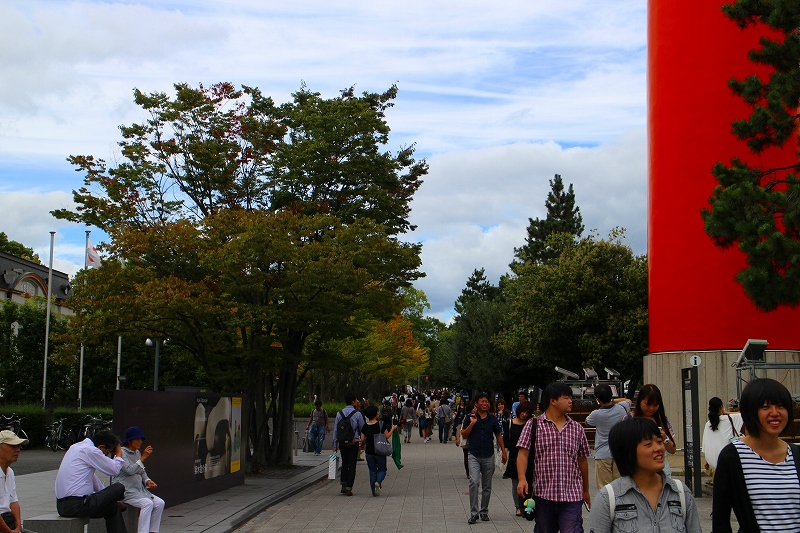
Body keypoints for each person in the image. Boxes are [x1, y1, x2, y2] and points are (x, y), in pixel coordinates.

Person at [713, 378, 800, 533]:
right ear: (750, 411)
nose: (775, 413)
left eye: (780, 406)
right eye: (765, 407)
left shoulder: (797, 454)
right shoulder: (732, 457)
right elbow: (721, 521)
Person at [587, 417, 701, 532]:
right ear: (628, 451)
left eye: (659, 441)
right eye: (648, 444)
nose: (658, 448)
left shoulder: (681, 492)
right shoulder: (608, 498)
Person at [516, 382, 590, 533]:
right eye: (566, 398)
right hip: (544, 494)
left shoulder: (577, 428)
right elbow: (523, 454)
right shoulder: (533, 425)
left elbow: (582, 460)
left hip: (572, 495)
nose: (571, 401)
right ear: (553, 401)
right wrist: (522, 479)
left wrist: (586, 490)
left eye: (571, 398)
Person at [55, 429, 127, 533]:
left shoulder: (75, 447)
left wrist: (108, 498)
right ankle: (115, 501)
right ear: (101, 447)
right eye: (108, 452)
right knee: (119, 487)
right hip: (78, 504)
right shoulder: (90, 450)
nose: (106, 456)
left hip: (62, 506)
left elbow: (93, 479)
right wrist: (119, 454)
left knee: (113, 508)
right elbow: (114, 470)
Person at [461, 392, 507, 524]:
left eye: (487, 401)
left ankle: (484, 511)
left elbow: (498, 435)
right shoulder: (470, 417)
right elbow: (464, 434)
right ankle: (474, 513)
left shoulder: (492, 418)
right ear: (476, 403)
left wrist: (504, 451)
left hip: (488, 455)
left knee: (487, 486)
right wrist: (472, 424)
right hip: (474, 454)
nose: (485, 403)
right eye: (482, 401)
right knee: (474, 482)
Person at [111, 427, 164, 533]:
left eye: (141, 439)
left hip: (138, 490)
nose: (140, 442)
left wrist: (147, 480)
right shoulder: (121, 453)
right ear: (129, 441)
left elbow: (141, 470)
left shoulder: (137, 453)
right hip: (126, 490)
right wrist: (143, 457)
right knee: (147, 504)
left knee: (160, 503)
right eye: (137, 439)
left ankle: (153, 531)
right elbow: (129, 470)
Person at [585, 383, 633, 489]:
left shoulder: (596, 414)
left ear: (598, 399)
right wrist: (613, 401)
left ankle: (608, 506)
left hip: (602, 454)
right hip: (619, 452)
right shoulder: (622, 408)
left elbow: (587, 422)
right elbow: (628, 401)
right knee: (620, 487)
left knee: (605, 488)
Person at [627, 383, 678, 476]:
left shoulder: (662, 420)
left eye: (655, 405)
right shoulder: (629, 419)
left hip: (662, 472)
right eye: (648, 404)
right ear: (640, 401)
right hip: (638, 471)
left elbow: (673, 450)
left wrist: (664, 438)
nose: (651, 408)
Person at [504, 400, 535, 517]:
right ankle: (518, 506)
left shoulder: (531, 423)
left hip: (529, 456)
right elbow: (506, 439)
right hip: (514, 456)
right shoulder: (510, 423)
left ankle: (528, 505)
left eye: (527, 412)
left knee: (529, 481)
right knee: (516, 483)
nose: (524, 414)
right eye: (523, 411)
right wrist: (504, 452)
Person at [332, 392, 366, 496]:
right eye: (356, 400)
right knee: (352, 464)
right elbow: (363, 428)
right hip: (354, 441)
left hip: (342, 442)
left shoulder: (339, 413)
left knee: (344, 462)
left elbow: (336, 430)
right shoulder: (357, 414)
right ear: (352, 401)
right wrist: (363, 441)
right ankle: (349, 487)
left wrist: (334, 444)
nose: (357, 402)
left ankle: (343, 483)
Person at [701, 396, 742, 478]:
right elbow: (744, 414)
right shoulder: (730, 419)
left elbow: (708, 444)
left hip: (715, 466)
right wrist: (726, 412)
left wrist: (708, 461)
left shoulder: (708, 424)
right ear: (721, 407)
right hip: (729, 465)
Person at [360, 405, 396, 497]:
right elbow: (387, 436)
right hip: (380, 451)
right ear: (375, 414)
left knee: (372, 472)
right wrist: (392, 429)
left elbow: (362, 439)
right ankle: (378, 482)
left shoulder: (365, 426)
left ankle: (374, 492)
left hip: (369, 452)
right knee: (382, 469)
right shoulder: (381, 424)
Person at [0, 430, 32, 533]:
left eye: (18, 446)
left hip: (7, 520)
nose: (17, 450)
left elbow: (14, 502)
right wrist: (9, 531)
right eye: (12, 446)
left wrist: (18, 527)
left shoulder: (10, 472)